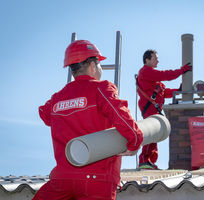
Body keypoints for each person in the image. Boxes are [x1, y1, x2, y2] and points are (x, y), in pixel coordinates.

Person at [33, 40, 143, 200]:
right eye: (100, 65)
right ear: (93, 65)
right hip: (97, 180)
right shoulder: (102, 88)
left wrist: (68, 105)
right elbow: (122, 118)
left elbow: (44, 114)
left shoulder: (57, 98)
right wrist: (135, 141)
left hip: (62, 179)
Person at [136, 49, 192, 169]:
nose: (158, 60)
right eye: (155, 58)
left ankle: (149, 162)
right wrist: (181, 71)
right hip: (150, 108)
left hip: (153, 109)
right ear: (147, 60)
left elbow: (163, 92)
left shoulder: (150, 76)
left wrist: (178, 91)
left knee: (154, 135)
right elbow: (165, 75)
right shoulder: (146, 71)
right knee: (151, 133)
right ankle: (145, 161)